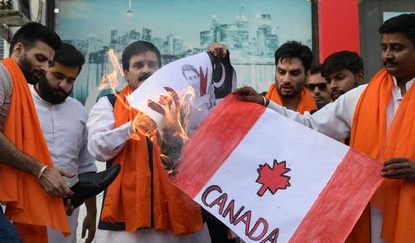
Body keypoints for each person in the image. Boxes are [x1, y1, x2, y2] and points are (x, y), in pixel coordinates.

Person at [237, 13, 415, 243]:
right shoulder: (362, 97)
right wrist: (264, 103)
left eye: (397, 48)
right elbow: (310, 125)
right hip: (372, 214)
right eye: (384, 47)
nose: (388, 55)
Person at [87, 40, 222, 242]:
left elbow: (209, 136)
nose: (146, 70)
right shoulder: (109, 103)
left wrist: (215, 61)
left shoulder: (183, 101)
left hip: (179, 213)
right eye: (138, 65)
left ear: (160, 70)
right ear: (125, 73)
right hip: (127, 220)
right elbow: (98, 149)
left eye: (152, 65)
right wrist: (131, 127)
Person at [0, 22, 74, 242]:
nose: (44, 68)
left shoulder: (19, 88)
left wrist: (47, 179)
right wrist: (40, 170)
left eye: (49, 63)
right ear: (18, 49)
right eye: (40, 58)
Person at [30, 43, 97, 243]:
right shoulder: (19, 101)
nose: (64, 86)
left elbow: (86, 167)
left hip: (66, 214)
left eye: (70, 80)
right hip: (20, 212)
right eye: (58, 77)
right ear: (44, 68)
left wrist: (91, 213)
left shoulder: (79, 111)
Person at [263, 41, 317, 112]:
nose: (286, 80)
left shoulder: (320, 113)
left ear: (307, 75)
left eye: (294, 73)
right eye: (281, 72)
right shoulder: (257, 104)